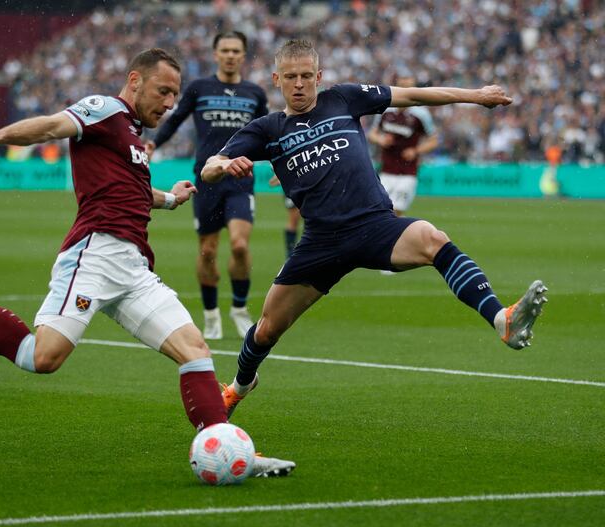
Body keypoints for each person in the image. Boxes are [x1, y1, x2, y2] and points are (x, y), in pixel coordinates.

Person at [0, 48, 293, 477]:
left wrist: (170, 198)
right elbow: (54, 125)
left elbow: (131, 190)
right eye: (163, 91)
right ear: (135, 80)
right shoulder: (105, 109)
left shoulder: (130, 134)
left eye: (175, 95)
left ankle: (228, 448)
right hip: (93, 255)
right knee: (42, 357)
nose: (170, 104)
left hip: (133, 268)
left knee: (195, 351)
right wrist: (0, 136)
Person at [200, 39, 548, 417]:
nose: (298, 84)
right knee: (267, 329)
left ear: (318, 76)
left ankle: (502, 320)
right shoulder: (267, 129)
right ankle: (239, 385)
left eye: (305, 76)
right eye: (290, 77)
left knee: (434, 239)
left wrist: (476, 95)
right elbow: (210, 166)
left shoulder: (343, 99)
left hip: (375, 224)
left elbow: (412, 95)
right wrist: (222, 166)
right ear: (276, 79)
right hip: (321, 243)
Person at [145, 31, 269, 340]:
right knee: (208, 252)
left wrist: (283, 163)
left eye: (235, 51)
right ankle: (212, 314)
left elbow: (270, 133)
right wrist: (153, 143)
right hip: (206, 178)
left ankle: (239, 308)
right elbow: (175, 120)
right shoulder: (200, 88)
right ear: (215, 54)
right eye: (225, 50)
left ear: (243, 55)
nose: (230, 55)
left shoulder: (254, 93)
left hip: (241, 178)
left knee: (240, 245)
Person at [367, 72, 438, 218]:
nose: (405, 86)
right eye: (402, 83)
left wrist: (415, 150)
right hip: (386, 170)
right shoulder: (384, 109)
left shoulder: (421, 114)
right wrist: (381, 140)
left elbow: (433, 140)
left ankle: (396, 236)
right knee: (381, 211)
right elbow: (372, 134)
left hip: (407, 172)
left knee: (396, 211)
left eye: (408, 83)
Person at [268, 175, 302, 258]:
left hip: (308, 186)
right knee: (293, 220)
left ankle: (309, 252)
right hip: (294, 187)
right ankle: (290, 255)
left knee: (311, 219)